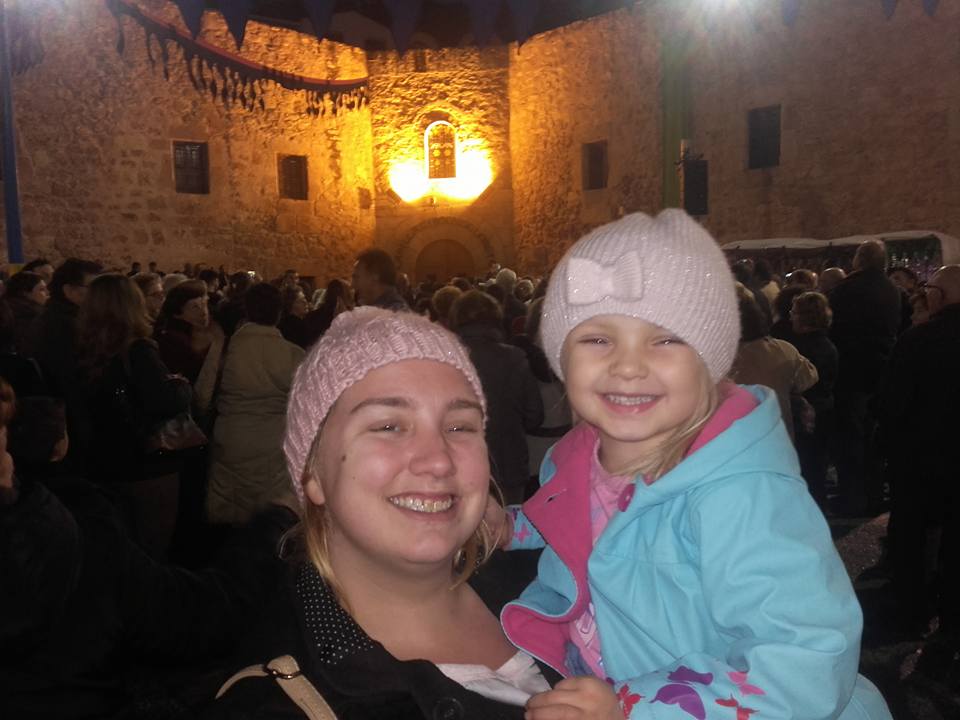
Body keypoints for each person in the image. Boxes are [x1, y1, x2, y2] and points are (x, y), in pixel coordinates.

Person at [490, 211, 890, 719]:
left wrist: (632, 707)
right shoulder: (575, 457)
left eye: (666, 339)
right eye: (597, 339)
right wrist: (512, 527)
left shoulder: (742, 494)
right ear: (560, 358)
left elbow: (805, 659)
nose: (628, 365)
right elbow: (588, 520)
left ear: (710, 360)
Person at [208, 308, 558, 718]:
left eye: (460, 427)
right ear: (313, 473)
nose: (438, 461)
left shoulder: (565, 582)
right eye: (388, 426)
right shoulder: (281, 701)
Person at [878, 265, 960, 669]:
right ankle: (951, 622)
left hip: (921, 459)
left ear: (939, 297)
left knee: (911, 539)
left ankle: (911, 614)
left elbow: (893, 403)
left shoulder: (918, 340)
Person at [77, 274, 193, 558]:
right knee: (152, 546)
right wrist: (181, 386)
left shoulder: (86, 349)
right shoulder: (138, 349)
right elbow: (163, 401)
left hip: (105, 459)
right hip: (146, 461)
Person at [206, 284, 305, 525]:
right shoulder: (293, 354)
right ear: (279, 313)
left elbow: (202, 394)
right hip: (274, 443)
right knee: (268, 519)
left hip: (231, 439)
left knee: (229, 518)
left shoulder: (226, 348)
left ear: (247, 310)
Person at [828, 240, 901, 516]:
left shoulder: (846, 290)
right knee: (873, 439)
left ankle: (852, 497)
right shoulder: (892, 289)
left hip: (850, 374)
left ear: (859, 260)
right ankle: (873, 494)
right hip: (880, 372)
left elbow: (833, 329)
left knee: (850, 439)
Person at [451, 290, 544, 504]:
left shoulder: (448, 359)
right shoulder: (514, 358)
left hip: (460, 464)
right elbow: (534, 415)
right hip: (508, 464)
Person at [731, 284, 818, 441]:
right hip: (778, 439)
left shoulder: (716, 361)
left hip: (734, 442)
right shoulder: (784, 351)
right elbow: (808, 379)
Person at [790, 291, 839, 507]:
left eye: (794, 312)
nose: (791, 316)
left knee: (808, 465)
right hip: (825, 408)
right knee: (817, 465)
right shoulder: (827, 344)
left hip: (807, 413)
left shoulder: (801, 349)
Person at [155, 279, 212, 384]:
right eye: (195, 307)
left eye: (205, 304)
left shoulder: (199, 333)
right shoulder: (173, 341)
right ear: (177, 312)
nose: (204, 312)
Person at [3, 270, 49, 356]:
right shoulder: (30, 316)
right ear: (25, 293)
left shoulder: (8, 308)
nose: (48, 293)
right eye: (42, 289)